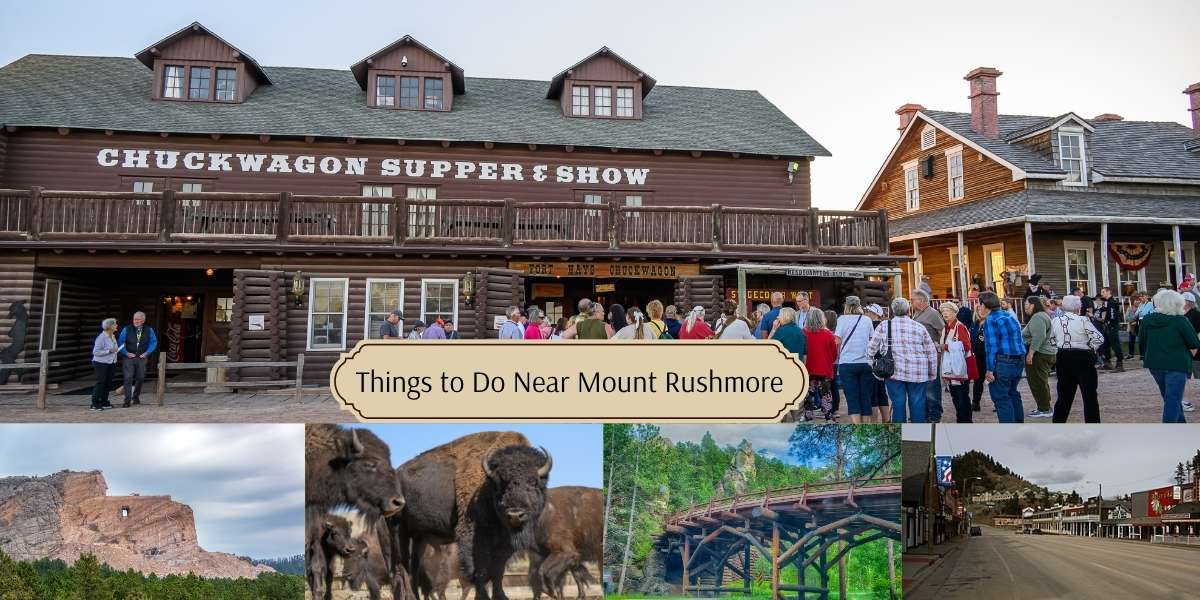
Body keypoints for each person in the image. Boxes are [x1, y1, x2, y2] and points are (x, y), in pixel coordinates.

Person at [866, 298, 937, 423]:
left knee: (898, 404)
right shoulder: (919, 327)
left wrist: (873, 366)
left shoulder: (884, 325)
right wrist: (932, 373)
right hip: (918, 372)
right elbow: (931, 352)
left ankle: (900, 431)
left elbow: (870, 350)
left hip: (894, 372)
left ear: (893, 310)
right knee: (918, 404)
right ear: (908, 310)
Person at [1138, 289, 1200, 423]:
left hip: (1155, 364)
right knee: (1172, 400)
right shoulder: (1180, 321)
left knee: (1171, 398)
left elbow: (1141, 341)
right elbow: (1194, 342)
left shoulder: (1147, 320)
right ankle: (1168, 433)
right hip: (1177, 364)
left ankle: (1181, 428)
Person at [1048, 295, 1105, 423]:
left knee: (1064, 396)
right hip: (1083, 357)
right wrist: (1091, 347)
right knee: (1089, 396)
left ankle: (1058, 423)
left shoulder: (1056, 320)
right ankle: (1093, 424)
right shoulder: (1083, 320)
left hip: (1063, 357)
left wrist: (1057, 348)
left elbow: (1050, 339)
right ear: (1079, 307)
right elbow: (1099, 338)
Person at [980, 291, 1029, 422]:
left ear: (984, 305)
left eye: (980, 305)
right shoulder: (1009, 316)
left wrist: (990, 370)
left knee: (1001, 398)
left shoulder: (990, 320)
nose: (979, 308)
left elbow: (991, 347)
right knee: (1013, 393)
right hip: (1018, 359)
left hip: (1003, 362)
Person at [835, 296, 874, 424]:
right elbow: (872, 339)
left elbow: (837, 340)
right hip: (865, 362)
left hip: (847, 363)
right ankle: (867, 426)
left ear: (846, 305)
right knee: (866, 397)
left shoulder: (841, 319)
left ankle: (857, 427)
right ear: (859, 305)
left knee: (852, 397)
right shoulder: (867, 320)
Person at [938, 302, 978, 423]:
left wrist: (944, 346)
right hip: (951, 367)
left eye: (948, 311)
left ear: (955, 313)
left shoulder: (959, 327)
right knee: (955, 396)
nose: (945, 313)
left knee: (961, 397)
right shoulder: (946, 328)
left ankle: (965, 420)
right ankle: (960, 418)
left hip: (959, 368)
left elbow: (966, 346)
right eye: (943, 311)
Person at [910, 289, 945, 422]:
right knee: (923, 386)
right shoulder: (917, 313)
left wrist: (939, 347)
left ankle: (934, 415)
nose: (911, 302)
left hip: (931, 356)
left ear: (921, 301)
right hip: (920, 356)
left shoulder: (933, 314)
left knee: (932, 387)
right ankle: (924, 413)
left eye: (913, 299)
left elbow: (942, 331)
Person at [1021, 296, 1057, 418]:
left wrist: (1031, 353)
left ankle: (1044, 409)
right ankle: (1044, 406)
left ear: (1033, 305)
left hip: (1039, 354)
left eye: (1026, 304)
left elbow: (1039, 336)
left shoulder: (1038, 317)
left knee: (1037, 382)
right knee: (1041, 381)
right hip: (1044, 353)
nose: (1025, 306)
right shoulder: (1042, 316)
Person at [802, 308, 838, 421]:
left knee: (809, 393)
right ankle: (828, 415)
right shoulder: (828, 334)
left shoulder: (803, 333)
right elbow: (834, 354)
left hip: (809, 368)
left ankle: (808, 415)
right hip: (825, 369)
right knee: (826, 394)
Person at [117, 311, 157, 408]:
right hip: (129, 357)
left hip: (142, 357)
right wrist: (126, 353)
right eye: (134, 319)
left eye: (138, 319)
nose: (135, 321)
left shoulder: (149, 330)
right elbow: (120, 342)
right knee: (128, 378)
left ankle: (136, 397)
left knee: (141, 377)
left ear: (143, 320)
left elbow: (153, 342)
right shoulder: (127, 329)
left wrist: (147, 352)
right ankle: (127, 400)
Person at [864, 303, 892, 422]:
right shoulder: (886, 325)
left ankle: (874, 421)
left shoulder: (869, 326)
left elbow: (871, 347)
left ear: (873, 313)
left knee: (873, 394)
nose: (865, 313)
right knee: (882, 393)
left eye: (867, 311)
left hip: (873, 362)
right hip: (884, 362)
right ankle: (886, 420)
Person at [90, 318, 120, 411]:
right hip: (100, 363)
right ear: (110, 326)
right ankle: (94, 403)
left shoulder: (113, 336)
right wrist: (109, 351)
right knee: (101, 382)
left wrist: (115, 350)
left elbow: (115, 348)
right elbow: (95, 352)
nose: (116, 326)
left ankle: (104, 401)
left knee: (108, 383)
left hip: (111, 362)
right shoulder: (101, 337)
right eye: (115, 324)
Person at [1092, 287, 1124, 371]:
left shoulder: (1112, 302)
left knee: (1115, 344)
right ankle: (1107, 362)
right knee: (1105, 344)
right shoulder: (1107, 303)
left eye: (1103, 292)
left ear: (1108, 292)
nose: (1102, 294)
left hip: (1112, 326)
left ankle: (1120, 363)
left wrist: (1111, 325)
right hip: (1107, 326)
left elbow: (1113, 315)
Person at [969, 306, 988, 413]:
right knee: (978, 381)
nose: (980, 312)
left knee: (993, 379)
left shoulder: (989, 324)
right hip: (977, 356)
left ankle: (997, 402)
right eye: (978, 310)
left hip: (988, 355)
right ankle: (976, 403)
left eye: (982, 309)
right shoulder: (974, 324)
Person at [1183, 292, 1200, 412]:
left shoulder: (1196, 315)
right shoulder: (1179, 315)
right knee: (1185, 377)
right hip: (1184, 351)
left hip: (1196, 350)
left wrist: (1195, 349)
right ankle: (1186, 401)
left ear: (1188, 302)